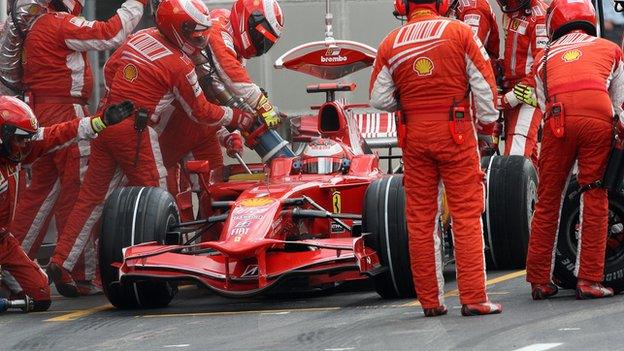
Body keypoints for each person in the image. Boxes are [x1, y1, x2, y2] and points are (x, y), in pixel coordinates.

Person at [47, 0, 257, 296]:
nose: (199, 39)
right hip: (135, 130)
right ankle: (166, 267)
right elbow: (200, 112)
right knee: (159, 201)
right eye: (195, 33)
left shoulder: (140, 36)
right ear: (178, 27)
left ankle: (62, 260)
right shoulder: (180, 65)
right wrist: (238, 117)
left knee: (90, 200)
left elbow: (110, 68)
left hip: (105, 120)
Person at [369, 0, 502, 316]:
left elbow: (379, 98)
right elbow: (485, 90)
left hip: (414, 138)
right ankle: (474, 298)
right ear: (442, 3)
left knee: (420, 220)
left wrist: (410, 100)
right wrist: (486, 129)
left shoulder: (391, 42)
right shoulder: (458, 32)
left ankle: (430, 301)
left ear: (405, 6)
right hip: (455, 134)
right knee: (466, 215)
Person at [10, 0, 147, 295]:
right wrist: (137, 4)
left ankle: (10, 265)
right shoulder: (59, 23)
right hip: (66, 111)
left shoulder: (34, 27)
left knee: (39, 196)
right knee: (81, 189)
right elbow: (110, 33)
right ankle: (78, 271)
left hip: (39, 113)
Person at [521, 0, 624, 300]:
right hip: (598, 119)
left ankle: (539, 280)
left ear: (554, 23)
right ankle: (589, 281)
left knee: (548, 200)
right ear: (589, 19)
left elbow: (542, 102)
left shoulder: (544, 56)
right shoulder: (610, 49)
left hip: (558, 122)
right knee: (595, 195)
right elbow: (618, 105)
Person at [0, 96, 133, 311]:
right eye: (20, 139)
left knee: (41, 294)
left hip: (5, 242)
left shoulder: (19, 150)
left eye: (26, 138)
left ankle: (7, 290)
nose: (25, 144)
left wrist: (101, 122)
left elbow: (61, 132)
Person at [160, 0, 284, 207]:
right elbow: (231, 76)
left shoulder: (232, 44)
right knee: (172, 194)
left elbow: (224, 96)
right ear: (250, 22)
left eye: (267, 41)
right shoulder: (218, 28)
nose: (261, 45)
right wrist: (262, 104)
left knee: (214, 189)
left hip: (203, 123)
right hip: (174, 119)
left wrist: (232, 134)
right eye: (261, 37)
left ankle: (215, 235)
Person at [495, 0, 547, 164]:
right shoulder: (512, 11)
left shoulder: (540, 16)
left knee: (515, 158)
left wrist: (507, 99)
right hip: (514, 87)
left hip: (530, 94)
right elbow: (517, 58)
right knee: (528, 158)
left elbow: (542, 68)